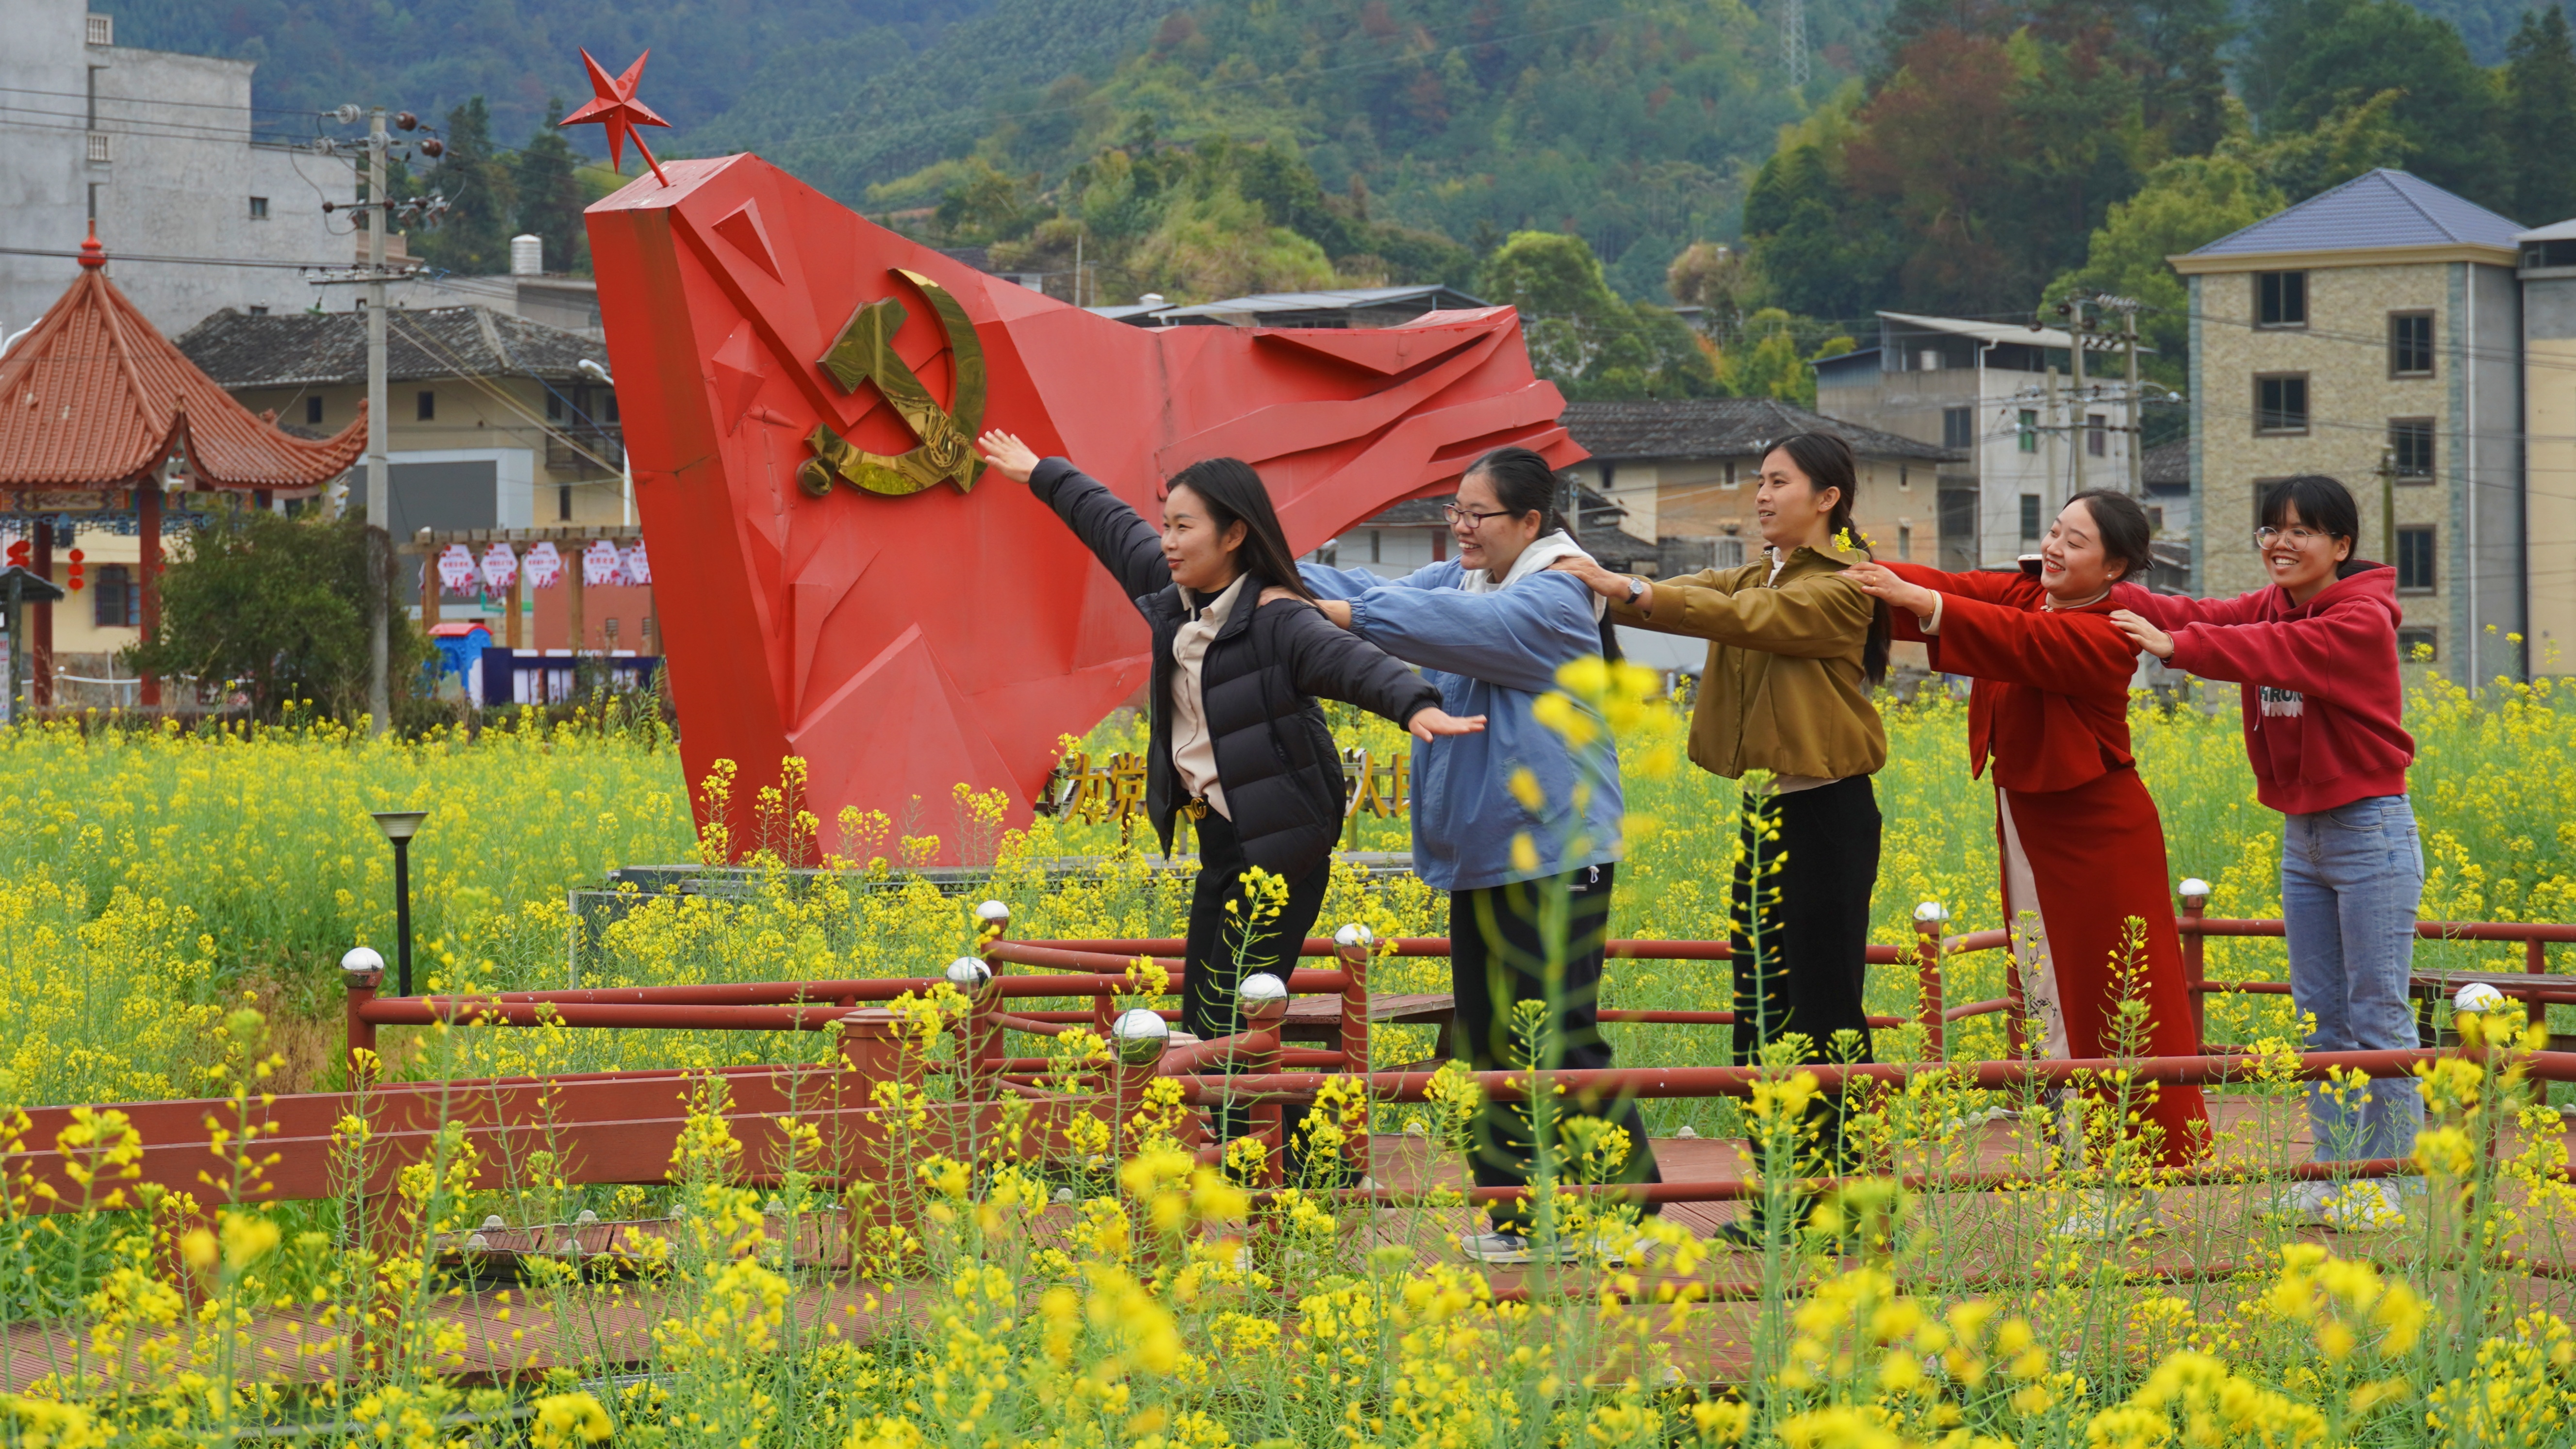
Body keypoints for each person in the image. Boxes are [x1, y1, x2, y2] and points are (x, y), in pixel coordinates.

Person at [973, 430, 1485, 1160]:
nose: (1168, 541)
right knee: (1207, 1001)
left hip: (1285, 833)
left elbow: (1351, 662)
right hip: (1222, 829)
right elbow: (1107, 520)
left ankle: (1270, 1156)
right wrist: (1041, 473)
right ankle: (1252, 1147)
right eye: (1168, 525)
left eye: (1184, 527)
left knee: (1242, 997)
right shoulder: (1172, 590)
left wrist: (1415, 705)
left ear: (1234, 534)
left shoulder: (1279, 617)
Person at [1298, 445, 1660, 1265]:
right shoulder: (1464, 580)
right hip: (1486, 854)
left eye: (1476, 514)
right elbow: (1372, 588)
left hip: (1558, 855)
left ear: (1528, 522)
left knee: (1559, 1035)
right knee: (1489, 1040)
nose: (1459, 528)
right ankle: (1518, 1217)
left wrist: (1349, 621)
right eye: (1454, 512)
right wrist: (1261, 563)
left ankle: (1627, 1208)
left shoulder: (1557, 594)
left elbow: (1458, 630)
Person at [1553, 432, 1889, 1246]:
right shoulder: (1759, 572)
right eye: (1758, 482)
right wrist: (1608, 581)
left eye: (1778, 482)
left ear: (1827, 498)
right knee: (1761, 1009)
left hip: (1828, 814)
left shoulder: (1844, 586)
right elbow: (1704, 590)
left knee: (1820, 1011)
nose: (1761, 495)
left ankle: (1840, 1206)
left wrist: (1624, 586)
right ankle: (1783, 1200)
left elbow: (1743, 617)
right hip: (1771, 812)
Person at [1845, 489, 2211, 1234]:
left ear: (2112, 566)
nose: (2053, 548)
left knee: (2106, 1003)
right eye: (2052, 531)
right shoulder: (2029, 593)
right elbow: (1961, 593)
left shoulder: (2110, 634)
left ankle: (2121, 1185)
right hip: (2033, 823)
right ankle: (2080, 1171)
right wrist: (1851, 572)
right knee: (2046, 998)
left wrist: (1912, 597)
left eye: (2073, 542)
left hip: (2098, 834)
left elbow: (2009, 640)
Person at [2106, 475, 2419, 1228]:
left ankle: (2391, 1183)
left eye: (2300, 530)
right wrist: (2103, 587)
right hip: (2302, 834)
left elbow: (2264, 648)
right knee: (2320, 1020)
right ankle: (2334, 1173)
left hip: (2368, 830)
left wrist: (2176, 646)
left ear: (2339, 546)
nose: (2280, 543)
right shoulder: (2273, 603)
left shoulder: (2358, 617)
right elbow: (2201, 611)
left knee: (2376, 1013)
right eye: (2269, 530)